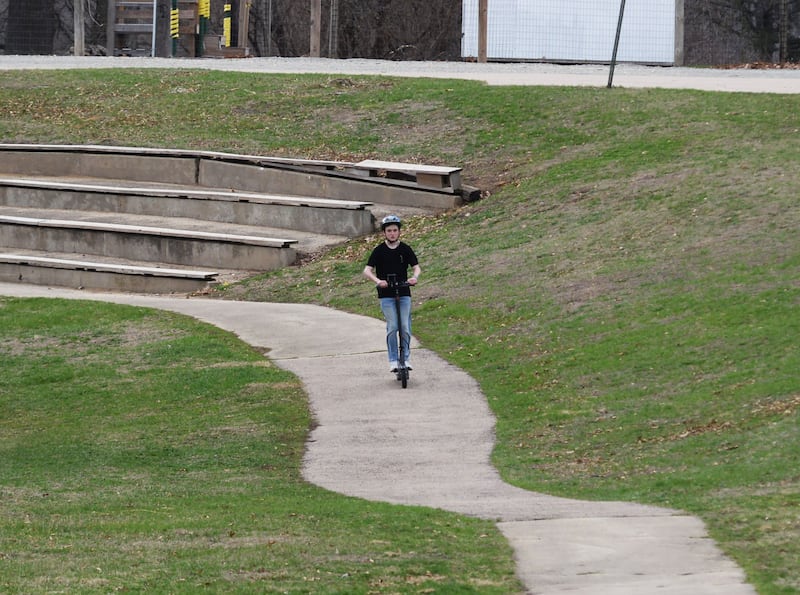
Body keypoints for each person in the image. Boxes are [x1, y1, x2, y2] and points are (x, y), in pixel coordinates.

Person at [363, 215, 421, 373]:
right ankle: (393, 360)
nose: (392, 233)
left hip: (403, 291)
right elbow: (367, 270)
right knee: (393, 326)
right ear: (384, 233)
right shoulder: (379, 250)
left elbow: (416, 267)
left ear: (399, 232)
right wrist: (378, 281)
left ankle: (406, 358)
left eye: (395, 230)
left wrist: (414, 278)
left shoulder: (405, 249)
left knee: (405, 327)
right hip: (386, 294)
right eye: (389, 231)